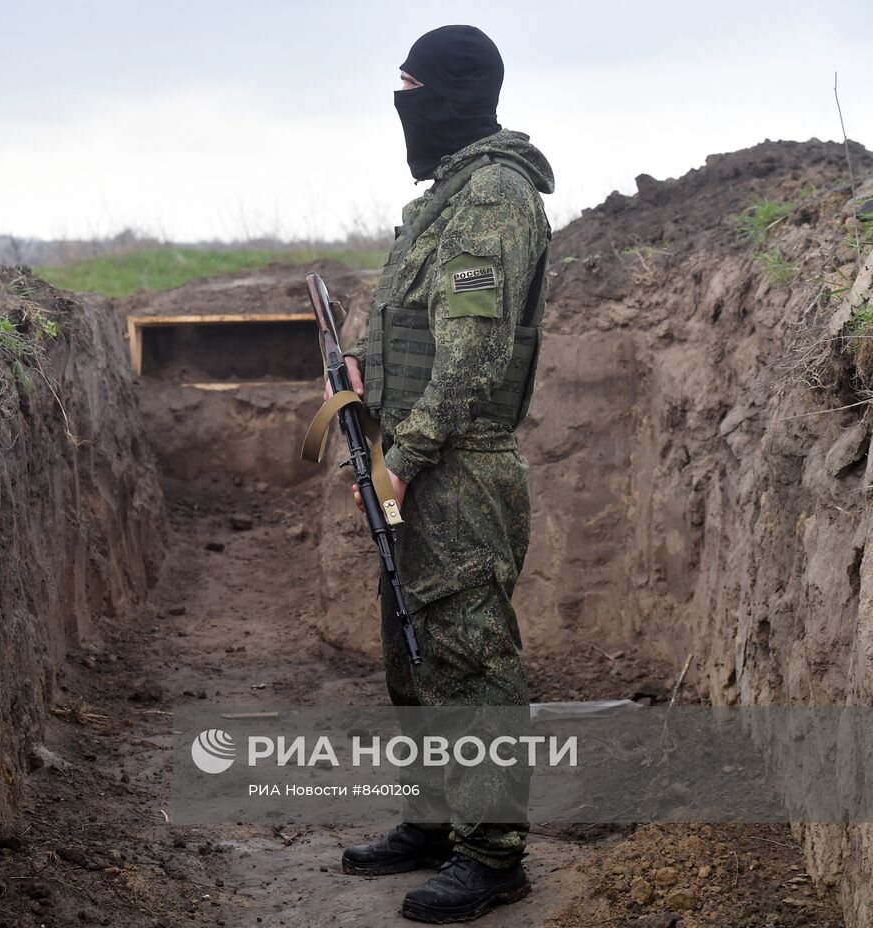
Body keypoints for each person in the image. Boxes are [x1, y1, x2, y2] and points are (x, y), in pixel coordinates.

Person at [328, 24, 554, 924]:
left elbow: (473, 350)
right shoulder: (446, 195)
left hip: (456, 466)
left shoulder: (494, 193)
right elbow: (419, 325)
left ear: (455, 93)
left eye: (414, 86)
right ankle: (434, 821)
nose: (404, 104)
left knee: (468, 661)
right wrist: (364, 370)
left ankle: (493, 855)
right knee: (412, 656)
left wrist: (405, 459)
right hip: (422, 458)